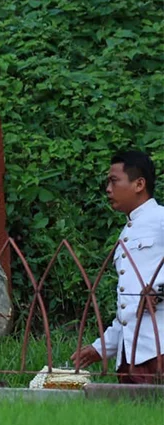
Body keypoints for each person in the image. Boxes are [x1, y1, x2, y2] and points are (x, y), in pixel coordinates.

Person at [71, 151, 163, 384]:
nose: (108, 190)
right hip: (131, 355)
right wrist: (102, 348)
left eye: (114, 181)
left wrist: (159, 290)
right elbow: (128, 308)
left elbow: (154, 290)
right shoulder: (127, 233)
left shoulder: (160, 219)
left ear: (139, 184)